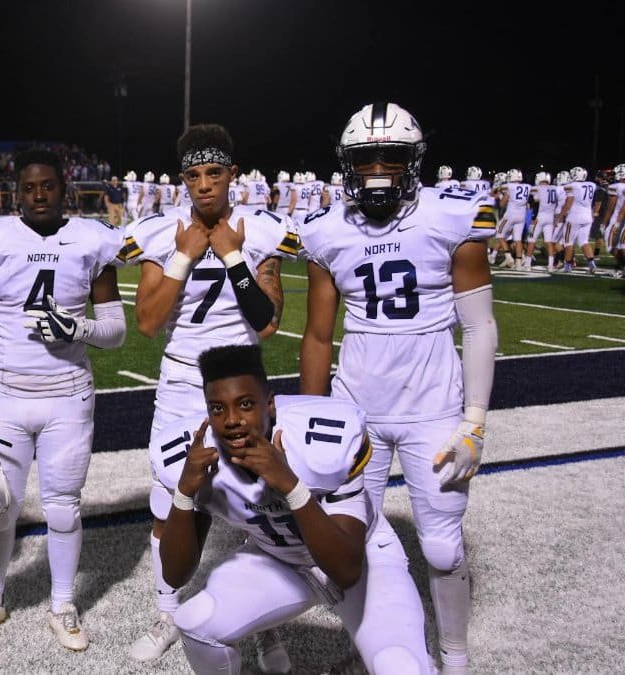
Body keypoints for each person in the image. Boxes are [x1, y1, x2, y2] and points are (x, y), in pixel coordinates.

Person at [300, 102, 498, 675]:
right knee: (348, 542)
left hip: (432, 403)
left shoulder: (452, 217)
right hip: (356, 405)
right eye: (367, 158)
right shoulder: (325, 229)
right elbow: (317, 336)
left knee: (440, 547)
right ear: (347, 165)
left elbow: (480, 325)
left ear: (415, 161)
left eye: (393, 156)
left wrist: (476, 419)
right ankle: (377, 648)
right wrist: (316, 421)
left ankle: (454, 658)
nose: (380, 169)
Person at [124, 123, 299, 666]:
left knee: (259, 497)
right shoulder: (158, 231)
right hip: (181, 383)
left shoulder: (261, 228)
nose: (204, 185)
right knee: (169, 498)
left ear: (233, 175)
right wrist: (183, 257)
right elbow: (149, 322)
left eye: (214, 173)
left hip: (243, 384)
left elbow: (267, 322)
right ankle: (167, 609)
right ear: (183, 180)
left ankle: (262, 619)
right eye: (194, 175)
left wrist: (231, 256)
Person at [155, 345, 432, 675]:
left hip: (360, 555)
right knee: (195, 623)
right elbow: (174, 575)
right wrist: (185, 494)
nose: (231, 421)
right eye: (217, 409)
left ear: (269, 404)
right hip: (278, 559)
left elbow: (346, 570)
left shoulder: (326, 437)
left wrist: (291, 486)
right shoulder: (198, 453)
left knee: (400, 667)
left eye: (245, 404)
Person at [0, 148, 127, 650]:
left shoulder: (92, 241)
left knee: (64, 507)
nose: (38, 195)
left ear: (63, 188)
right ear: (17, 193)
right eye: (29, 188)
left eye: (47, 185)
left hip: (68, 395)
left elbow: (115, 331)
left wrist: (78, 327)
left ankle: (63, 604)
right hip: (4, 392)